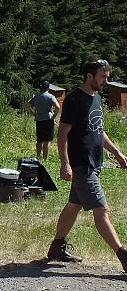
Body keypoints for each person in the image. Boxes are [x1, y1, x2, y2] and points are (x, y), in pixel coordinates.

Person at [47, 60, 127, 272]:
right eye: (103, 76)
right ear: (89, 76)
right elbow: (62, 132)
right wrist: (65, 163)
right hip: (81, 165)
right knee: (101, 209)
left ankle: (57, 247)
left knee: (74, 205)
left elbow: (98, 130)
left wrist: (117, 153)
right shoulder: (74, 99)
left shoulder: (97, 98)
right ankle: (123, 254)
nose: (106, 80)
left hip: (93, 164)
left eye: (107, 76)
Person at [27, 80, 61, 160]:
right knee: (47, 140)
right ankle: (45, 158)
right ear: (48, 88)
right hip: (48, 120)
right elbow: (58, 107)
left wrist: (33, 114)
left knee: (39, 140)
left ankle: (38, 156)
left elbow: (27, 105)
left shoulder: (35, 96)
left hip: (39, 119)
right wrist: (54, 115)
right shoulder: (50, 96)